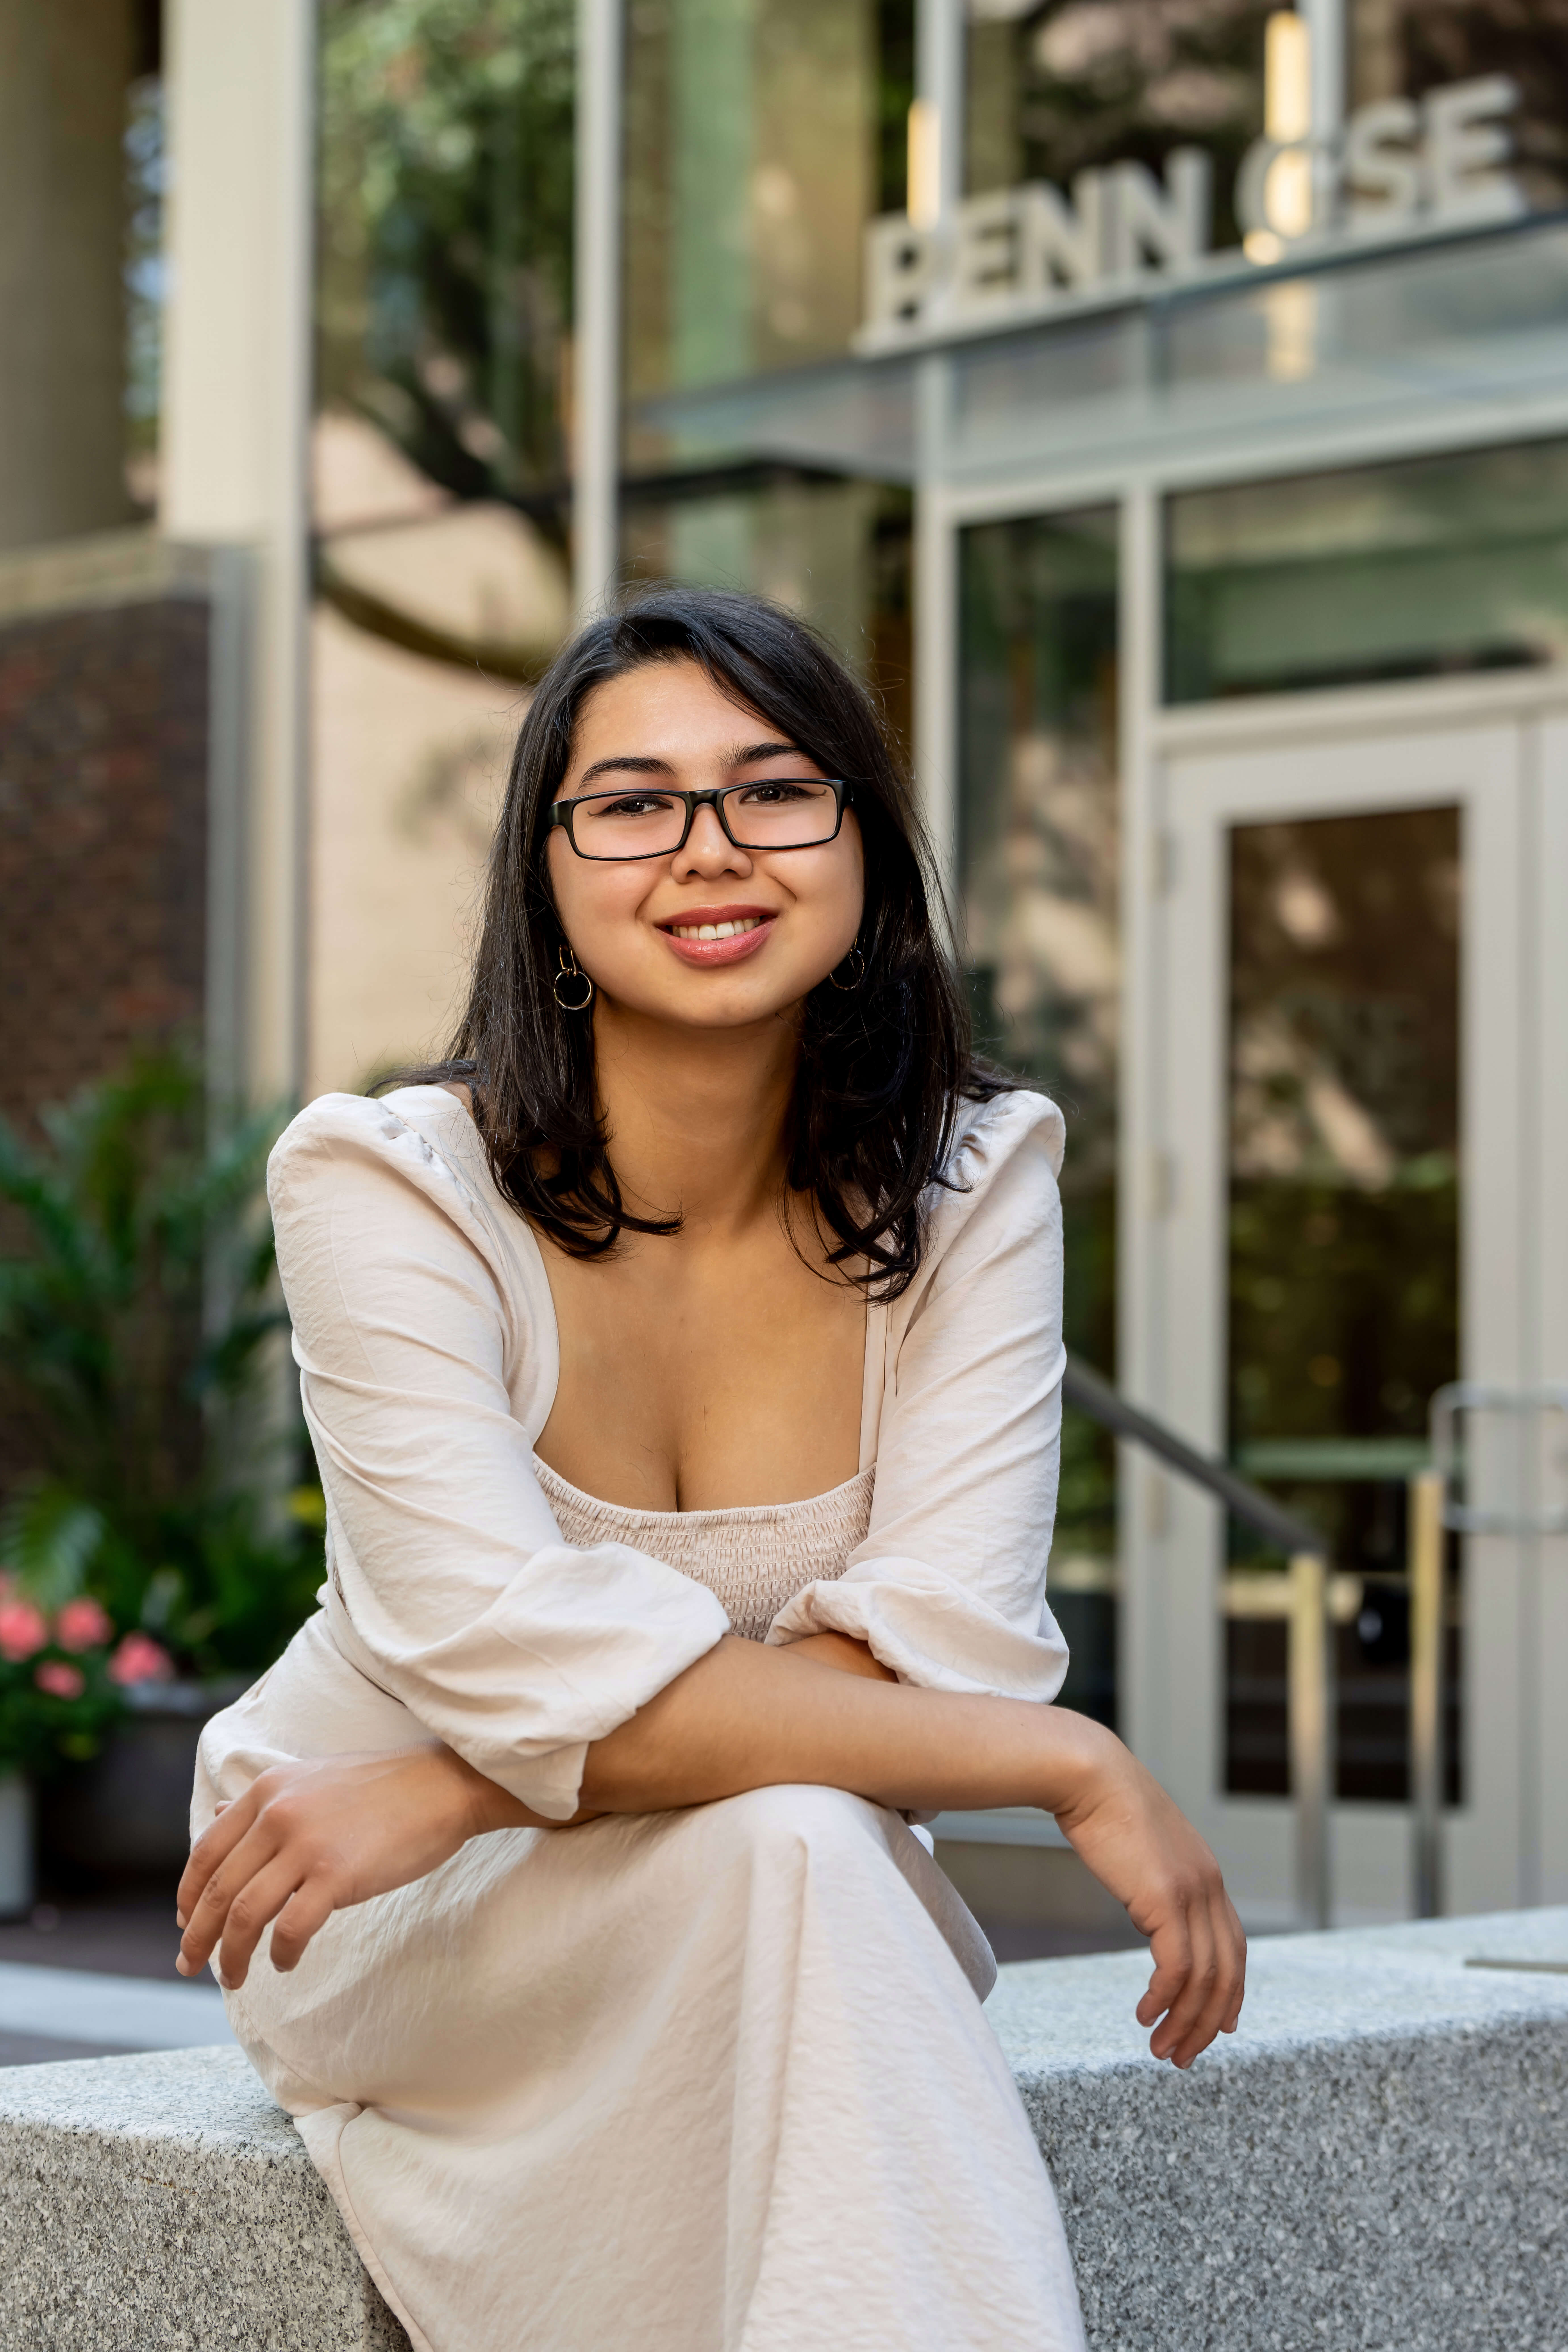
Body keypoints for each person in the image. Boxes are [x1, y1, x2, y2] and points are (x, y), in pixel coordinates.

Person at [179, 588, 1245, 2352]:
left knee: (798, 1840)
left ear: (863, 850)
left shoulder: (977, 1184)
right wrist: (1061, 1758)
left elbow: (933, 1648)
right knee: (806, 1837)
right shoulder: (388, 1183)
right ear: (549, 878)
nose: (708, 851)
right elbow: (506, 1652)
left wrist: (455, 1780)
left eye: (772, 789)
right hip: (363, 1904)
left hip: (437, 1821)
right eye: (631, 802)